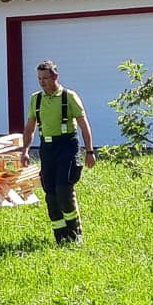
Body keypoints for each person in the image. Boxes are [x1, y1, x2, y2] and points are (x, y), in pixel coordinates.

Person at [20, 60, 96, 244]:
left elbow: (84, 125)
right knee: (51, 194)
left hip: (67, 146)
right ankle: (60, 237)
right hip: (47, 149)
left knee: (64, 190)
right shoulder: (35, 99)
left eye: (46, 78)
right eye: (39, 78)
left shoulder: (68, 96)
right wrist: (25, 151)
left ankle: (74, 234)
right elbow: (29, 128)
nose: (42, 82)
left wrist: (89, 151)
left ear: (55, 77)